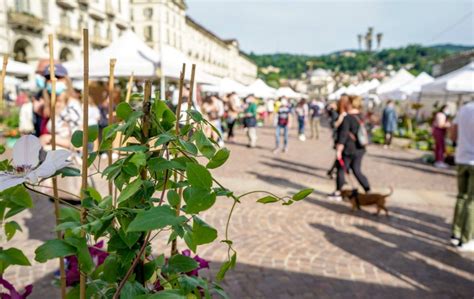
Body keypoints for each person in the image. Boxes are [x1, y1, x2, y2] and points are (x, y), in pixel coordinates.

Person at [328, 95, 371, 201]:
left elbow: (343, 135)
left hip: (348, 149)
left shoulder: (347, 118)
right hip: (360, 148)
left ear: (350, 104)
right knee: (357, 170)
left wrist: (339, 150)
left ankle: (339, 192)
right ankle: (367, 189)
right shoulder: (361, 116)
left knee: (341, 169)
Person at [450, 100, 474, 251]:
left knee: (461, 197)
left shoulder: (464, 109)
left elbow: (453, 134)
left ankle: (456, 234)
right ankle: (467, 238)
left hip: (462, 158)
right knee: (472, 201)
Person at [326, 95, 349, 179]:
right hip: (338, 136)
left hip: (344, 137)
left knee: (340, 156)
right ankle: (335, 172)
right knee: (340, 155)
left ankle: (333, 171)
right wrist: (341, 118)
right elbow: (334, 125)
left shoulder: (345, 111)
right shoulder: (336, 112)